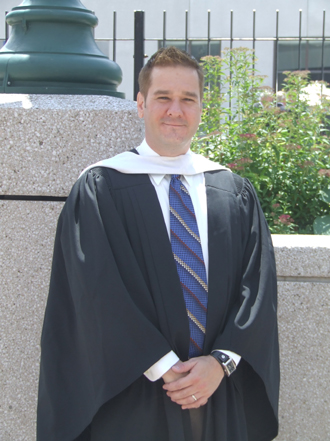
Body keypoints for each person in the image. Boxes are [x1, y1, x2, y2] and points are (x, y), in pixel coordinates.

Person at [37, 47, 279, 441]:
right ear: (141, 104)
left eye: (188, 99)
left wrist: (220, 363)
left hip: (217, 390)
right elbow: (95, 290)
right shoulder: (103, 187)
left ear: (201, 108)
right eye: (163, 97)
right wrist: (166, 366)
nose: (175, 110)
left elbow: (258, 287)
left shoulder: (231, 191)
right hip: (133, 391)